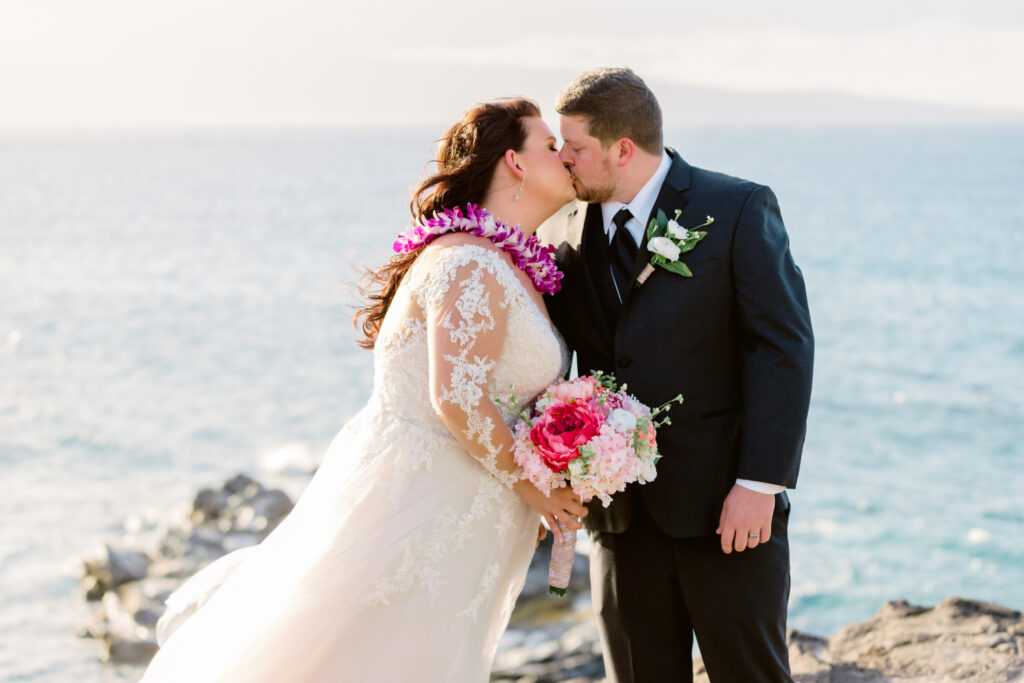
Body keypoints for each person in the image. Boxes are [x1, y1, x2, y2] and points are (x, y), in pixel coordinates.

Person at [138, 98, 589, 682]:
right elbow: (456, 397)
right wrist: (534, 486)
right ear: (516, 163)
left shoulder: (508, 264)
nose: (566, 156)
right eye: (551, 145)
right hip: (418, 509)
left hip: (465, 517)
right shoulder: (469, 265)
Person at [538, 68, 814, 682]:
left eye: (575, 148)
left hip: (726, 509)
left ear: (623, 150)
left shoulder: (736, 207)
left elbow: (783, 347)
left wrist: (760, 484)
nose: (565, 162)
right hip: (619, 517)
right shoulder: (559, 229)